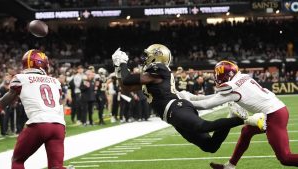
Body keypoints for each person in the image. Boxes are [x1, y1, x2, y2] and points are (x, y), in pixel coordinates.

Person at [111, 44, 265, 153]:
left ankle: (246, 119)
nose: (145, 58)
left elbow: (128, 79)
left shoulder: (159, 69)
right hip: (172, 113)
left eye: (147, 55)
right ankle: (232, 116)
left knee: (202, 126)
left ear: (157, 56)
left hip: (174, 107)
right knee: (210, 146)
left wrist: (122, 63)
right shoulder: (151, 76)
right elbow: (126, 86)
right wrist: (119, 68)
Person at [177, 60, 298, 168]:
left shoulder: (233, 87)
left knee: (285, 158)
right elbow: (214, 97)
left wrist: (184, 102)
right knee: (246, 131)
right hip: (277, 110)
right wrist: (192, 97)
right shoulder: (242, 77)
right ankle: (230, 166)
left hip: (274, 114)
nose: (217, 78)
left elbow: (206, 105)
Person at [0, 49, 67, 169]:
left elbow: (5, 101)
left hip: (38, 123)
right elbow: (59, 104)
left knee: (17, 160)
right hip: (59, 125)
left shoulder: (21, 78)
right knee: (56, 166)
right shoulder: (55, 81)